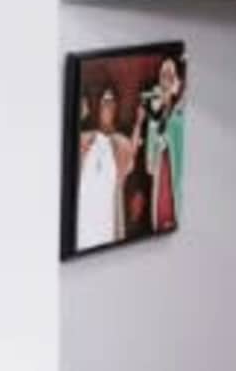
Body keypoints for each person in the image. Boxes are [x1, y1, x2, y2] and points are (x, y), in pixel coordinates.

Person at [75, 78, 130, 252]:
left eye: (112, 102)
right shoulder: (83, 139)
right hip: (82, 231)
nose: (109, 107)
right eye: (105, 102)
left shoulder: (122, 143)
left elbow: (128, 165)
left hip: (107, 230)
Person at [135, 55, 184, 235]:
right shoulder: (153, 110)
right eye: (163, 74)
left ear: (176, 79)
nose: (167, 79)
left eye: (171, 74)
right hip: (161, 170)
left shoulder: (181, 111)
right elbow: (150, 164)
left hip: (177, 173)